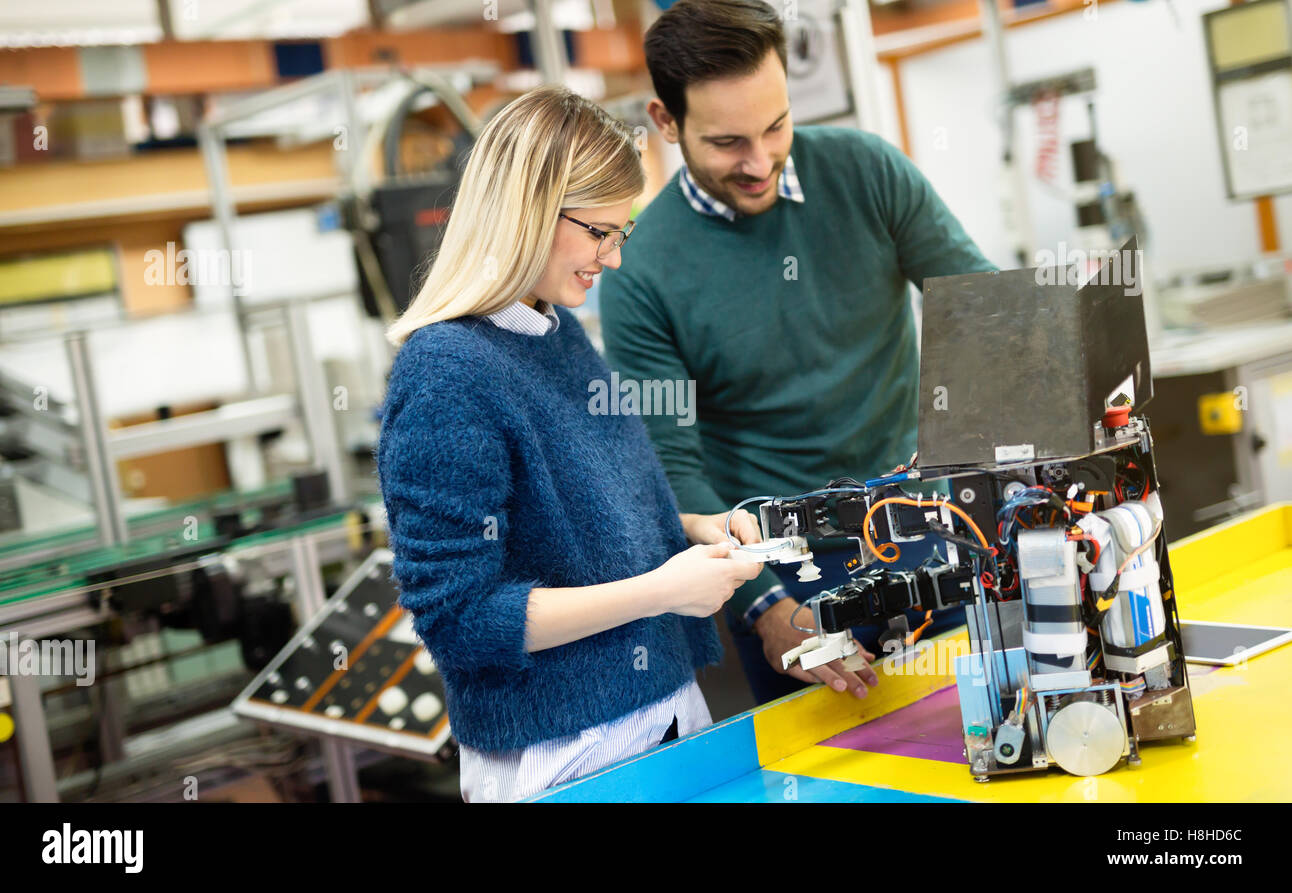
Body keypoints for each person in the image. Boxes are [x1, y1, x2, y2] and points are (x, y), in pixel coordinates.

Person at [599, 0, 997, 706]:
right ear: (665, 123)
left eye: (776, 125)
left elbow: (983, 310)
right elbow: (671, 467)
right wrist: (762, 608)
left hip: (930, 534)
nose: (761, 163)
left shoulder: (868, 172)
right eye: (727, 143)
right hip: (786, 578)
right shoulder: (640, 270)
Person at [377, 86, 765, 802]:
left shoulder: (560, 335)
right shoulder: (446, 373)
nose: (612, 259)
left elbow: (586, 527)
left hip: (667, 719)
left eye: (624, 233)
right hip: (565, 756)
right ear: (529, 210)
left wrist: (690, 531)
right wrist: (662, 589)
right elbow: (462, 618)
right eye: (599, 233)